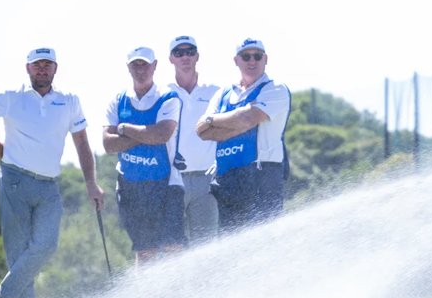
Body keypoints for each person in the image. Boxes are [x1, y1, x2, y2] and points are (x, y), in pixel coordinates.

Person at [0, 47, 105, 298]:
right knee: (18, 255)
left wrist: (91, 183)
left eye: (47, 64)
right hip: (14, 180)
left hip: (49, 185)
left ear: (55, 69)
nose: (42, 69)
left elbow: (82, 142)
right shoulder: (12, 97)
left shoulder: (69, 100)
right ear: (27, 68)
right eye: (37, 65)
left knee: (46, 245)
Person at [196, 38, 292, 232]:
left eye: (257, 56)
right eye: (246, 56)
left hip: (261, 177)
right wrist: (219, 122)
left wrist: (215, 121)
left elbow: (248, 118)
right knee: (231, 246)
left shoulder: (275, 89)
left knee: (263, 242)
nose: (252, 61)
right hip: (227, 180)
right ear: (236, 60)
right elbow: (201, 130)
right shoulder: (223, 93)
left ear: (266, 59)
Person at [103, 46, 185, 265]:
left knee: (172, 248)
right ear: (128, 67)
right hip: (131, 185)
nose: (141, 70)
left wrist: (124, 129)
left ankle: (179, 297)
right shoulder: (118, 100)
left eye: (145, 64)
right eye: (135, 65)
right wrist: (145, 133)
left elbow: (162, 134)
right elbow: (108, 145)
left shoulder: (169, 97)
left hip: (166, 183)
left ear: (155, 66)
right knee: (145, 251)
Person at [165, 35, 221, 244]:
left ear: (197, 56)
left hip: (206, 181)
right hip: (172, 181)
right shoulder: (163, 93)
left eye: (190, 52)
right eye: (179, 53)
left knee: (205, 248)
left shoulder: (215, 92)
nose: (185, 57)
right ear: (171, 58)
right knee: (171, 248)